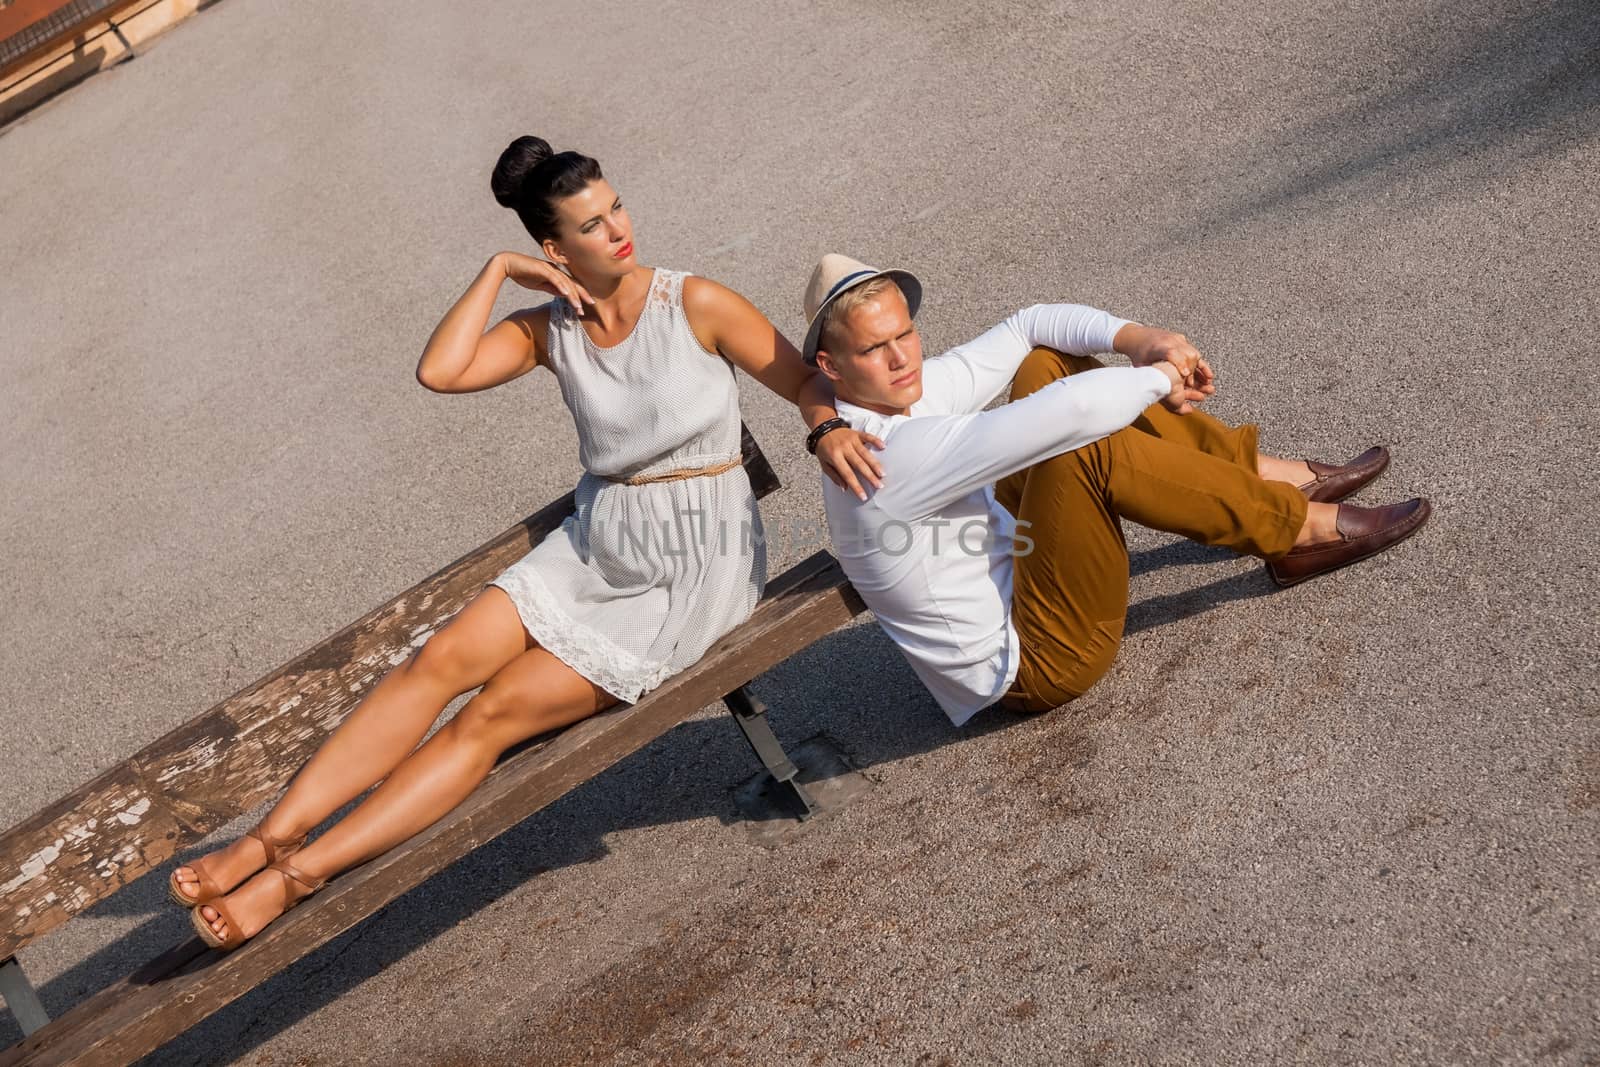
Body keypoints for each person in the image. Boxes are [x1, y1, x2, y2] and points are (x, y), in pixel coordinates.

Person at [169, 139, 885, 950]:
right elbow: (439, 372)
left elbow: (800, 378)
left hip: (693, 566)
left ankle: (298, 877)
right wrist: (499, 271)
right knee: (434, 661)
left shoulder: (695, 301)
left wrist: (824, 426)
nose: (618, 229)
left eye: (615, 207)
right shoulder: (551, 331)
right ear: (556, 251)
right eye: (592, 223)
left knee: (493, 713)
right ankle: (269, 840)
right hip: (596, 545)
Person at [801, 253, 1430, 725]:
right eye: (874, 349)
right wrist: (1159, 376)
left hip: (1022, 561)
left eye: (904, 334)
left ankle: (1269, 475)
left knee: (1042, 362)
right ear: (832, 368)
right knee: (1088, 435)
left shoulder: (897, 394)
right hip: (1035, 659)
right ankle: (1294, 528)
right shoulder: (881, 458)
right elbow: (1072, 416)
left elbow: (1029, 326)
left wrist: (1140, 339)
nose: (902, 358)